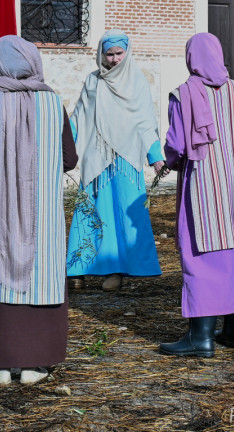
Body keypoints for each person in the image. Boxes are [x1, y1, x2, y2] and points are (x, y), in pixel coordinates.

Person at [0, 36, 77, 385]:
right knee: (40, 276)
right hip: (41, 216)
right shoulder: (52, 102)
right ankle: (34, 364)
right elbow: (69, 159)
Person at [160, 33, 234, 357]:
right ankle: (232, 331)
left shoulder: (184, 93)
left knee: (201, 256)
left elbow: (176, 145)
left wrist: (170, 163)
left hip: (203, 185)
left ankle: (200, 338)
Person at [66, 32, 164, 292]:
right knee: (90, 211)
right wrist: (63, 147)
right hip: (96, 155)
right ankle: (78, 269)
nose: (114, 59)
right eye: (109, 54)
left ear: (127, 53)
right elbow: (78, 117)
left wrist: (155, 157)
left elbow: (146, 121)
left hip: (125, 159)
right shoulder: (92, 81)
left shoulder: (137, 82)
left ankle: (116, 270)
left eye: (118, 53)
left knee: (122, 213)